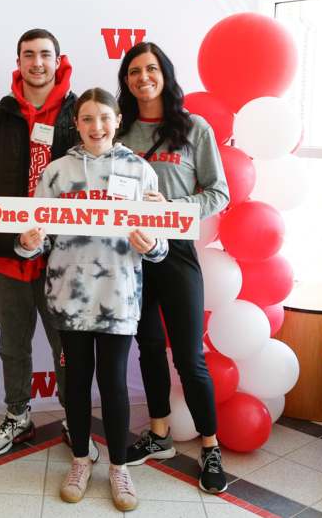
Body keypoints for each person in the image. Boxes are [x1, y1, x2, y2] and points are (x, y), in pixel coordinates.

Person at [18, 87, 167, 511]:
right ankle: (81, 460)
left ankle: (119, 467)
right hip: (69, 296)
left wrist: (152, 242)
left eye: (104, 117)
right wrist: (28, 243)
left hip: (118, 295)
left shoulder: (140, 172)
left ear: (118, 120)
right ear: (76, 124)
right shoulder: (57, 173)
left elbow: (160, 248)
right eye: (87, 119)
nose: (96, 126)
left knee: (114, 382)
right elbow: (35, 240)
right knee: (78, 382)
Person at [0, 29, 97, 460]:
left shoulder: (82, 114)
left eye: (45, 55)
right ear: (18, 61)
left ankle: (75, 419)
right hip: (6, 256)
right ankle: (18, 416)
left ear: (59, 60)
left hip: (66, 259)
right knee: (12, 344)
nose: (37, 63)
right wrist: (8, 227)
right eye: (28, 55)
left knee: (67, 346)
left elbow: (99, 178)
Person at [115, 41, 230, 494]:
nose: (143, 77)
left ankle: (211, 444)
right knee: (147, 346)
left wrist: (174, 208)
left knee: (188, 356)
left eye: (151, 69)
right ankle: (159, 433)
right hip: (133, 254)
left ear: (164, 73)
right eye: (133, 71)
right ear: (125, 81)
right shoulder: (119, 132)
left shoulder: (193, 128)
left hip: (178, 252)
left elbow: (218, 193)